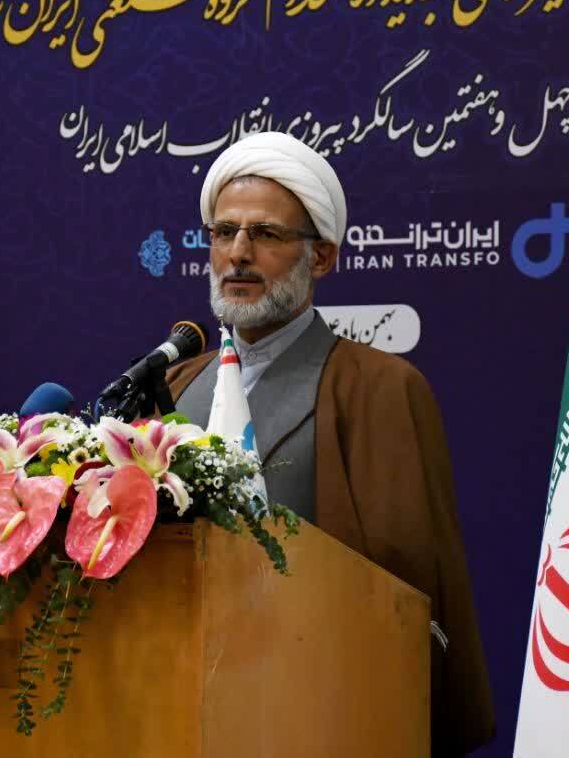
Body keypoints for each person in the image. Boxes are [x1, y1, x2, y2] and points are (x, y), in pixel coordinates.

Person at [166, 132, 495, 756]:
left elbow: (405, 584)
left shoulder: (379, 388)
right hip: (176, 709)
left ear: (320, 258)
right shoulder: (178, 387)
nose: (238, 253)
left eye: (265, 234)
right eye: (224, 232)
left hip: (317, 714)